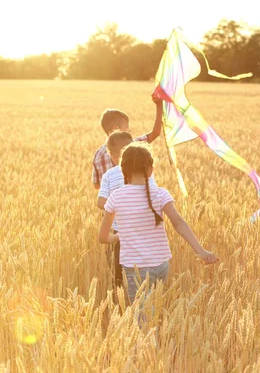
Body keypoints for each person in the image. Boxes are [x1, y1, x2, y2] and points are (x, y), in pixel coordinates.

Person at [98, 142, 219, 305]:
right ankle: (155, 330)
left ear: (122, 170)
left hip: (136, 269)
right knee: (153, 309)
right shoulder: (161, 194)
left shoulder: (116, 197)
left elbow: (103, 237)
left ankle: (150, 331)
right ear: (150, 169)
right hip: (161, 266)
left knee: (141, 318)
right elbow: (179, 223)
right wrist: (201, 251)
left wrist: (117, 237)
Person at [97, 130, 156, 289]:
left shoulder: (109, 175)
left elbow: (100, 202)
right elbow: (153, 196)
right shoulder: (147, 174)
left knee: (118, 273)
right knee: (142, 272)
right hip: (143, 230)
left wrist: (118, 205)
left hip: (119, 233)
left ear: (111, 155)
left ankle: (120, 301)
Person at [91, 97, 163, 191]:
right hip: (133, 201)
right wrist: (159, 105)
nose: (129, 131)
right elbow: (156, 133)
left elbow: (96, 185)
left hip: (110, 204)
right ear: (116, 129)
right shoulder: (132, 145)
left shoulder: (98, 154)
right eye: (127, 128)